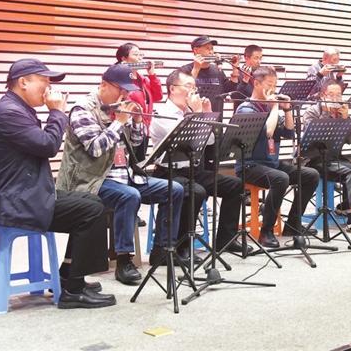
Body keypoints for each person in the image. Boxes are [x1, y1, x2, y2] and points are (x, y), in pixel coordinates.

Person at [0, 59, 115, 309]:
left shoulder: (18, 109)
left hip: (26, 195)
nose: (49, 88)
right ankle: (73, 291)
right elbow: (48, 146)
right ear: (23, 82)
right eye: (44, 80)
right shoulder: (9, 113)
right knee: (90, 210)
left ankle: (68, 275)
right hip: (14, 203)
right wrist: (57, 112)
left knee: (92, 200)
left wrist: (54, 113)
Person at [56, 64, 184, 284]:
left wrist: (136, 122)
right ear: (104, 85)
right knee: (128, 196)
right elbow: (96, 148)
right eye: (121, 89)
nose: (125, 95)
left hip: (125, 175)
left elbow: (135, 144)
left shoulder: (118, 108)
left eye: (127, 91)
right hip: (92, 180)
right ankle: (124, 260)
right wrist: (119, 122)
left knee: (174, 189)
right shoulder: (83, 109)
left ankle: (162, 250)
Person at [150, 69, 248, 255]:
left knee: (235, 185)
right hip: (169, 172)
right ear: (172, 89)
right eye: (188, 86)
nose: (193, 91)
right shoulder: (161, 113)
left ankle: (226, 240)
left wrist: (207, 114)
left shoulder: (190, 111)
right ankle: (182, 246)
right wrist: (197, 113)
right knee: (196, 192)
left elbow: (209, 141)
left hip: (194, 171)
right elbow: (186, 141)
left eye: (194, 87)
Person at [235, 66, 320, 248]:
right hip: (250, 166)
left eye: (275, 85)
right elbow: (268, 132)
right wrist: (274, 107)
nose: (273, 89)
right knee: (281, 178)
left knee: (310, 175)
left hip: (271, 164)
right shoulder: (246, 109)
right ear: (256, 84)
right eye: (269, 85)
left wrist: (287, 110)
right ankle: (266, 232)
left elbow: (289, 133)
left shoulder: (270, 108)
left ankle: (292, 224)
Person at [302, 79, 351, 232]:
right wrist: (327, 114)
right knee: (350, 172)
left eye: (339, 95)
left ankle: (343, 207)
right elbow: (313, 137)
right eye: (331, 95)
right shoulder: (312, 111)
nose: (336, 98)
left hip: (335, 158)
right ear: (323, 95)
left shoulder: (341, 113)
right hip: (314, 159)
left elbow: (350, 140)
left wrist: (346, 120)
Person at [180, 35, 238, 114]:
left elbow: (230, 90)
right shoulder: (185, 70)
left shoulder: (217, 70)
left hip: (215, 119)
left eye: (212, 49)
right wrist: (196, 69)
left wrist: (235, 69)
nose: (211, 52)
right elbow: (184, 92)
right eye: (207, 48)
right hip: (193, 118)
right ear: (196, 50)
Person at [115, 42, 162, 131]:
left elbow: (157, 97)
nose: (139, 58)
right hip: (127, 129)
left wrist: (152, 75)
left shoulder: (143, 80)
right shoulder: (118, 81)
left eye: (140, 55)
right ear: (124, 59)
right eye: (135, 54)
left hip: (145, 128)